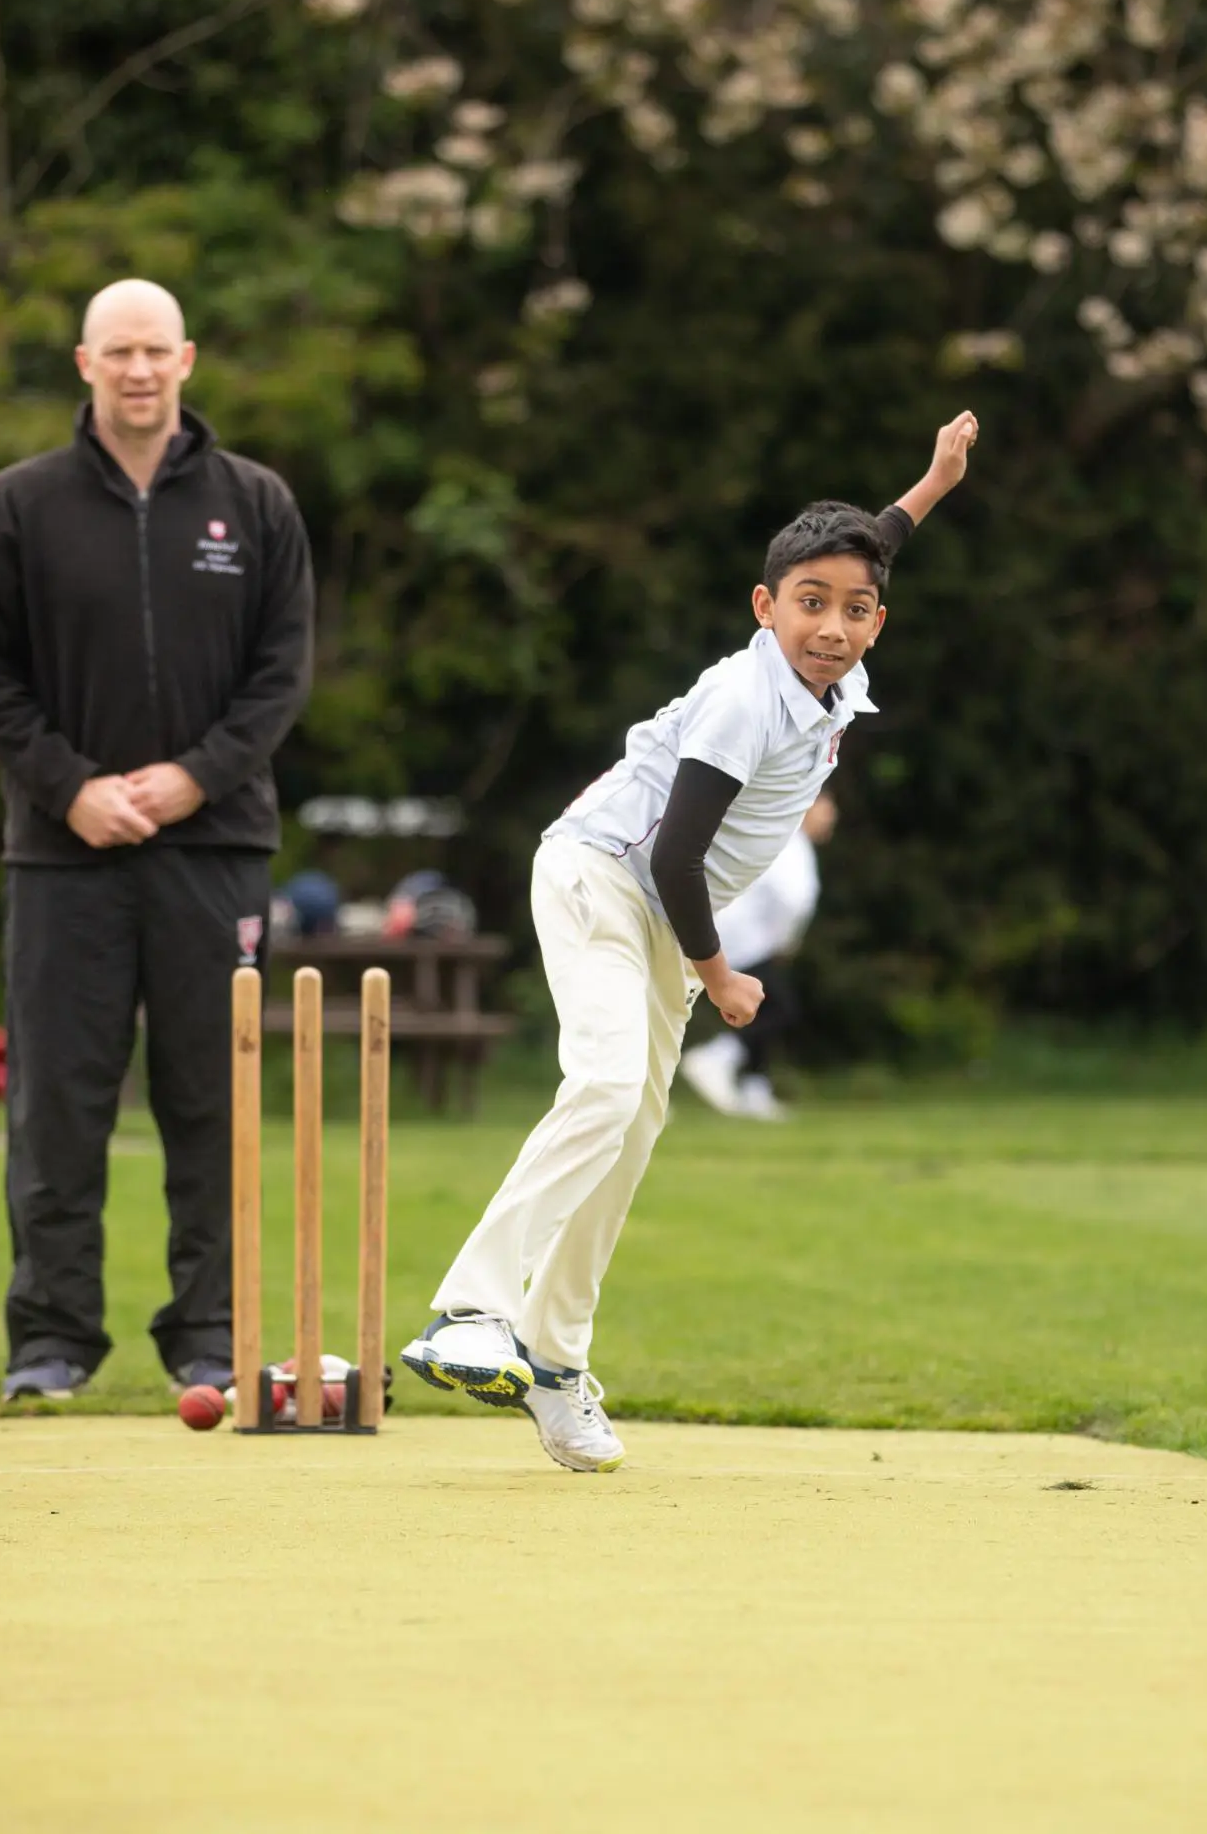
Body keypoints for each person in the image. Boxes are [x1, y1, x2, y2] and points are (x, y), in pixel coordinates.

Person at [402, 413, 980, 1471]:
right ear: (764, 609)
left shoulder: (834, 669)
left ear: (877, 622)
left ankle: (555, 1358)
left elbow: (875, 539)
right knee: (607, 1082)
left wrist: (932, 483)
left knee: (627, 1138)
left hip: (661, 917)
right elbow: (674, 856)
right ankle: (468, 1310)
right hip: (601, 876)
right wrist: (721, 980)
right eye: (809, 605)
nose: (832, 626)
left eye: (855, 610)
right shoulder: (741, 699)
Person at [0, 278, 316, 1410]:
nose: (138, 369)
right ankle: (51, 1339)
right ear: (83, 364)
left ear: (188, 358)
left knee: (211, 1097)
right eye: (118, 351)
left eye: (156, 349)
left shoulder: (254, 505)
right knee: (57, 1100)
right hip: (65, 853)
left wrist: (190, 779)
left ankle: (208, 1332)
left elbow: (282, 674)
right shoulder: (21, 504)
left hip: (214, 851)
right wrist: (72, 789)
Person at [678, 790, 836, 1121]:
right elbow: (793, 900)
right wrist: (784, 943)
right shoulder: (791, 845)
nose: (831, 816)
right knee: (780, 1009)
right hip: (743, 940)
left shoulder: (784, 841)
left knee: (764, 1008)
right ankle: (718, 1057)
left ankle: (754, 1087)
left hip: (740, 937)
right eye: (824, 808)